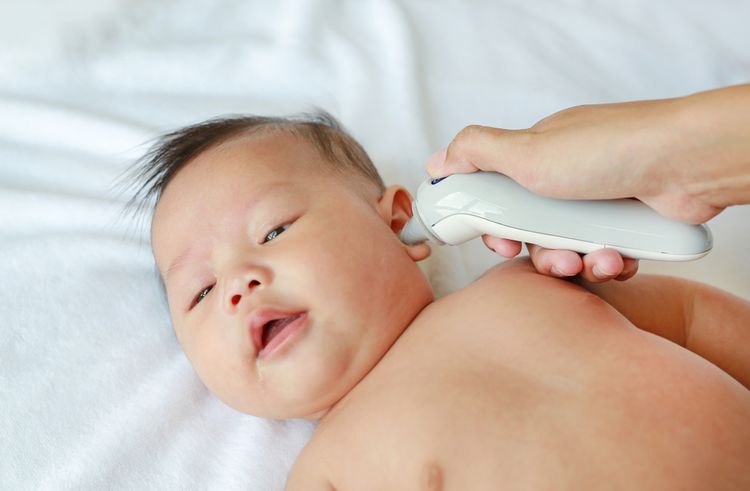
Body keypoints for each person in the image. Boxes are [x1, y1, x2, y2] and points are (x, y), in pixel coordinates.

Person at [129, 111, 750, 490]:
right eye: (201, 291)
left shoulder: (531, 282)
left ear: (396, 220)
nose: (238, 283)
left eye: (274, 231)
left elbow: (691, 318)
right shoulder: (327, 473)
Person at [426, 83, 750, 283]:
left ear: (400, 214)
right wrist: (679, 166)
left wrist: (667, 159)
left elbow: (692, 317)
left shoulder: (511, 292)